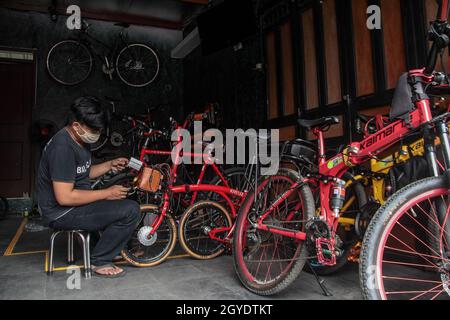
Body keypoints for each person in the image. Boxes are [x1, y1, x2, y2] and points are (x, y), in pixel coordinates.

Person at [37, 96, 141, 278]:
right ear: (76, 125)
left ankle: (113, 249)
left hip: (74, 206)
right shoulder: (62, 148)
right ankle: (99, 260)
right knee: (130, 210)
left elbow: (82, 172)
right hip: (61, 212)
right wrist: (106, 193)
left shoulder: (79, 140)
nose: (97, 133)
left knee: (125, 200)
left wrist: (109, 165)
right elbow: (65, 197)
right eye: (94, 129)